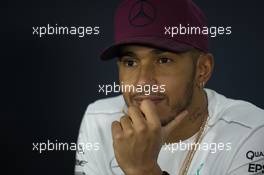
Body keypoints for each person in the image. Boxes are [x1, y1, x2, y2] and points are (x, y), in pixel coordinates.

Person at [75, 0, 264, 174]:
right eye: (130, 62)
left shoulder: (252, 131)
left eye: (164, 60)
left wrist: (144, 170)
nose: (143, 82)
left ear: (202, 69)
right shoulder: (98, 119)